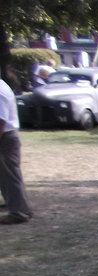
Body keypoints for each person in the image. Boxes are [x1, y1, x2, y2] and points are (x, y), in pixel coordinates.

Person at [0, 62, 32, 224]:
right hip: (6, 136)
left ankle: (19, 212)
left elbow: (1, 121)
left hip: (5, 137)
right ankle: (19, 207)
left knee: (10, 175)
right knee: (6, 175)